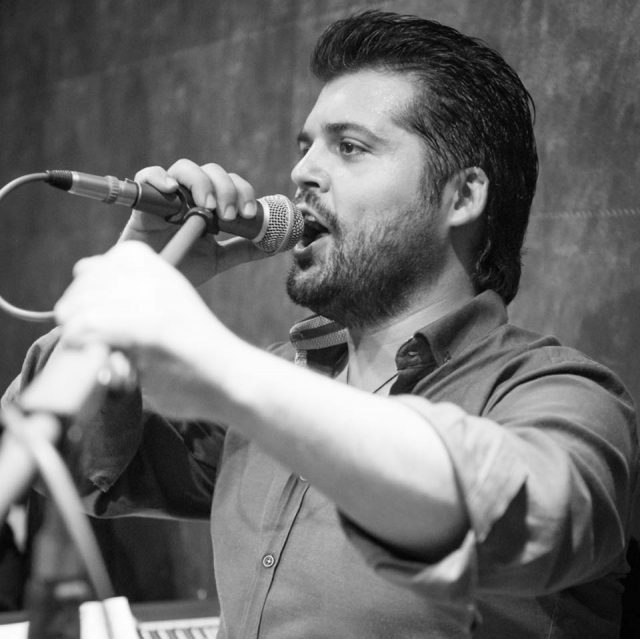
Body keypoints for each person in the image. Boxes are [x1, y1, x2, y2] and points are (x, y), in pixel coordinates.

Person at [3, 10, 638, 638]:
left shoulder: (560, 395)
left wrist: (224, 372)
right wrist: (147, 263)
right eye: (305, 147)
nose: (302, 172)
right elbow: (68, 461)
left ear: (463, 196)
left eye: (350, 147)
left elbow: (531, 512)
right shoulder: (280, 384)